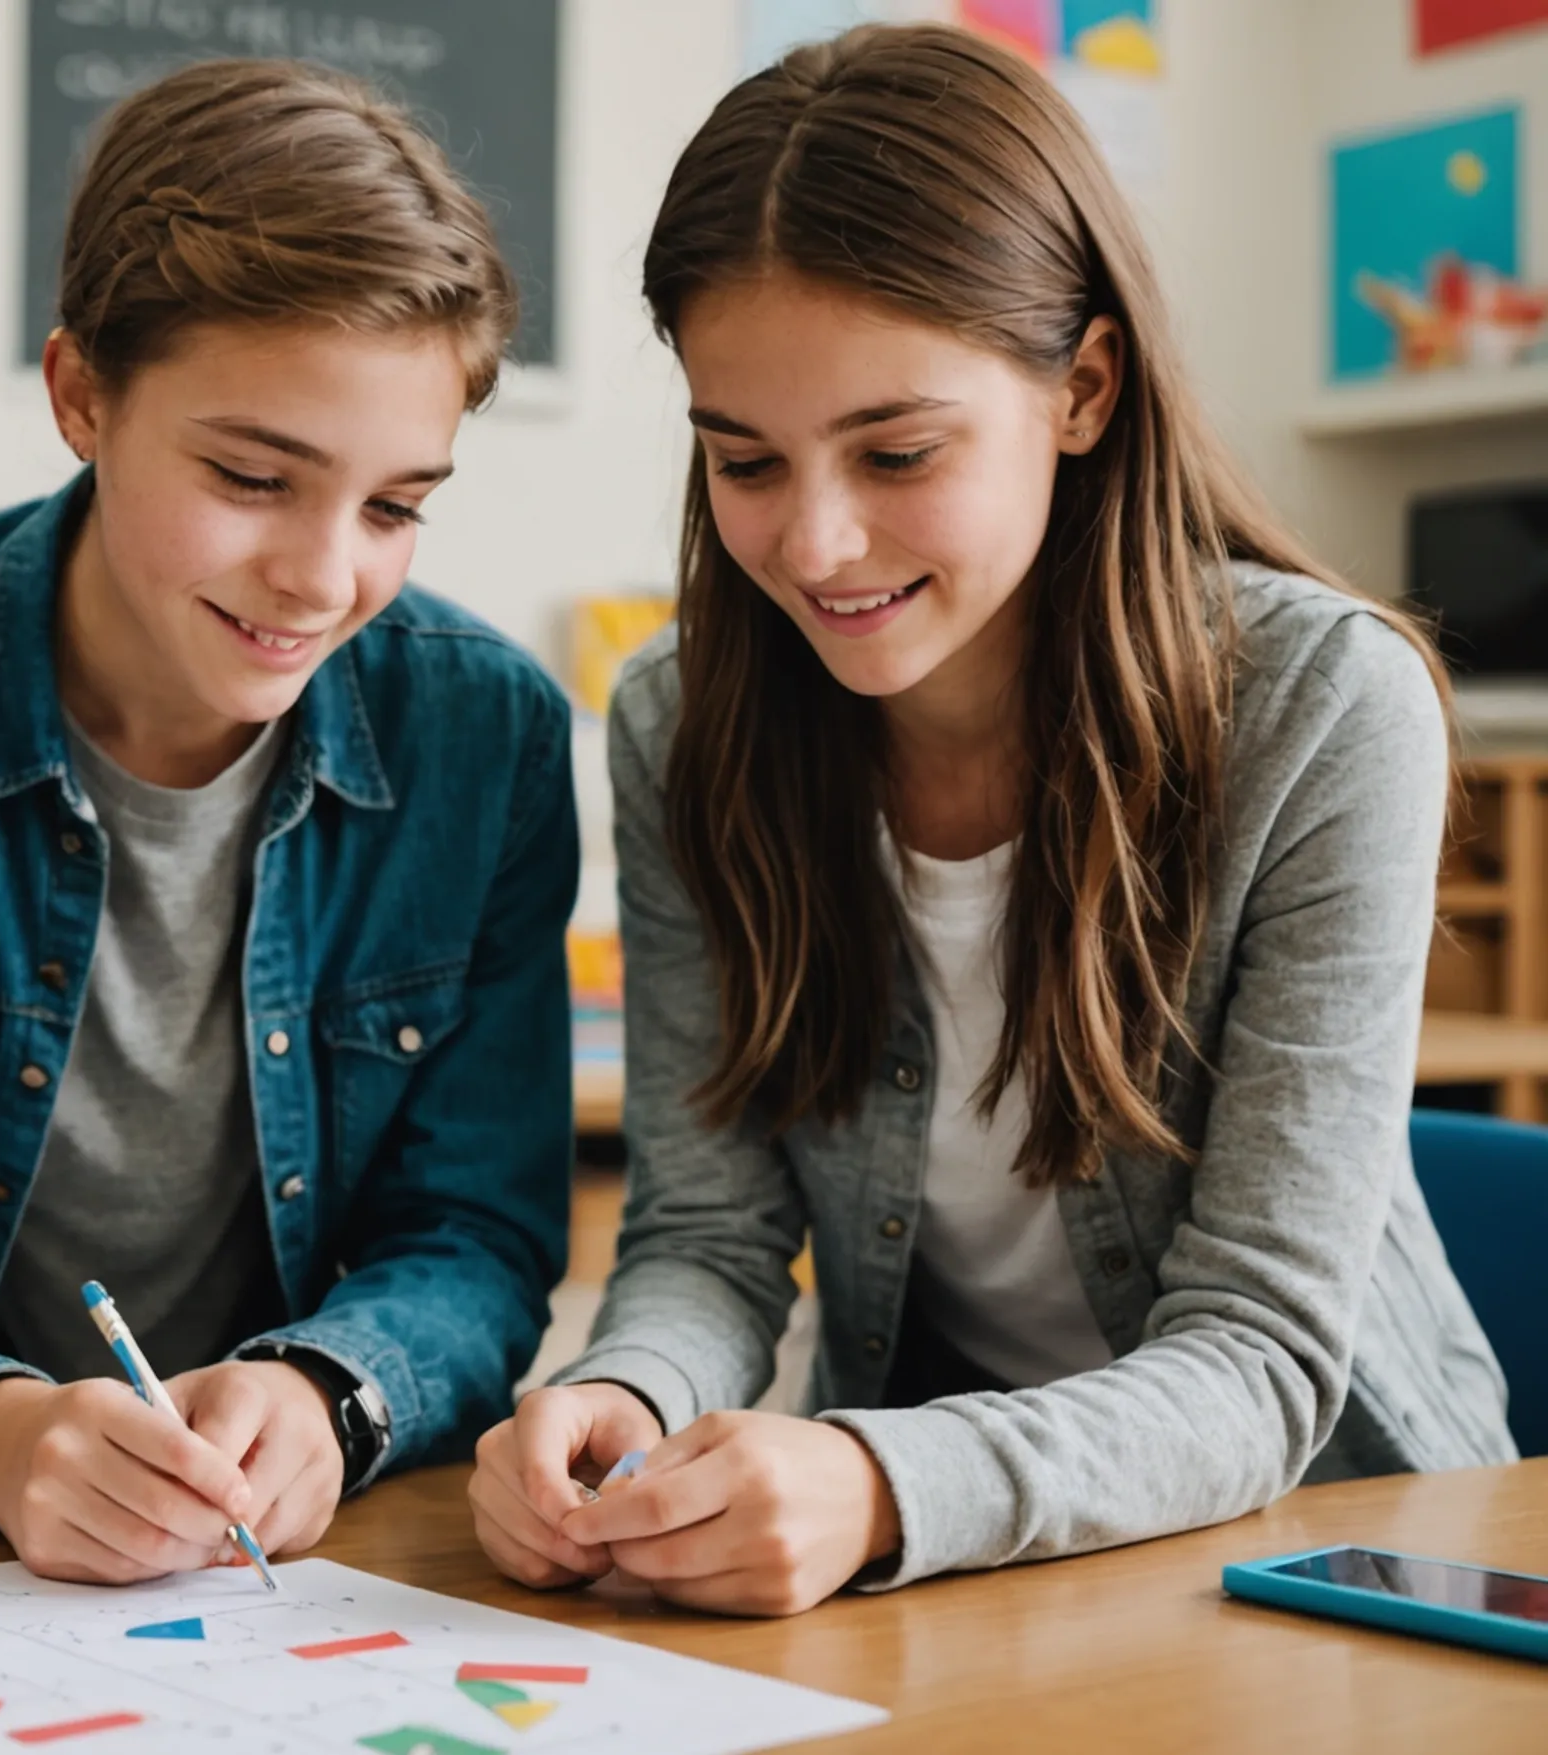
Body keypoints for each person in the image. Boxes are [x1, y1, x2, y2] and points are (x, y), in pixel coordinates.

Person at [469, 24, 1517, 1617]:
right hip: (962, 1578)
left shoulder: (1325, 708)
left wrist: (887, 1481)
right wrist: (633, 1394)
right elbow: (709, 1235)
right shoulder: (685, 721)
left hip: (1340, 1550)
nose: (817, 541)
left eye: (897, 450)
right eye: (744, 459)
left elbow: (1260, 1358)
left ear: (1083, 386)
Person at [0, 58, 577, 1583]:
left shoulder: (490, 736)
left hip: (274, 1572)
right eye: (253, 477)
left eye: (396, 505)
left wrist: (328, 1394)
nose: (323, 576)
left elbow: (473, 1237)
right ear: (82, 395)